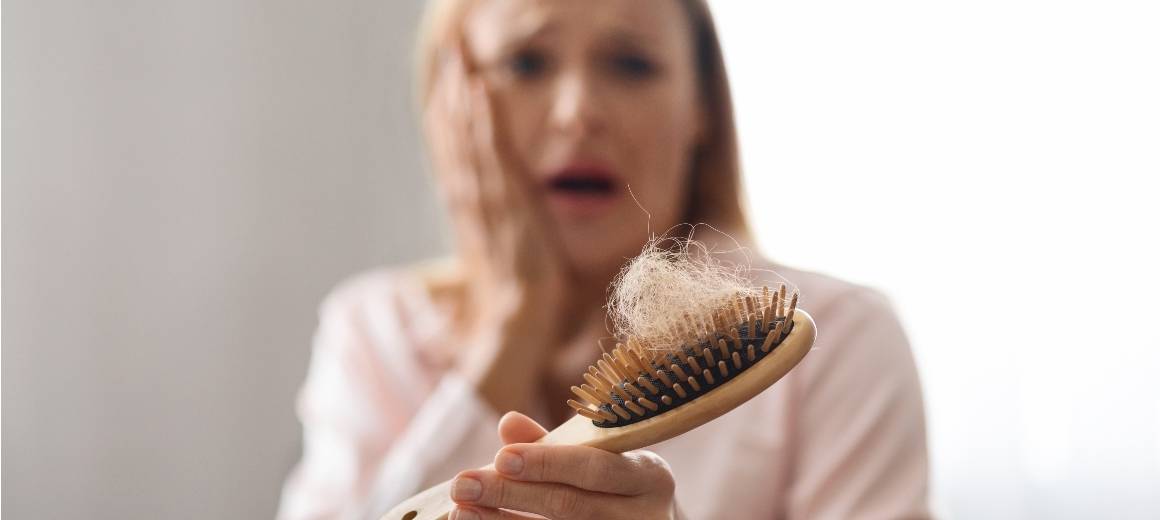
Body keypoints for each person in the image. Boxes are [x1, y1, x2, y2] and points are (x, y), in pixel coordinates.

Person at [278, 1, 932, 518]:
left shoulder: (843, 342)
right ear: (452, 101)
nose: (578, 112)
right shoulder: (373, 330)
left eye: (631, 64)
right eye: (527, 63)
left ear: (700, 104)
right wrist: (511, 328)